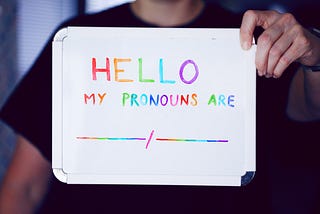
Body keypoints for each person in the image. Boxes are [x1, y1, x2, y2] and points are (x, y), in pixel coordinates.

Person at [0, 0, 320, 213]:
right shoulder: (76, 40)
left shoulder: (254, 40)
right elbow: (23, 186)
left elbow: (309, 105)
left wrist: (316, 55)